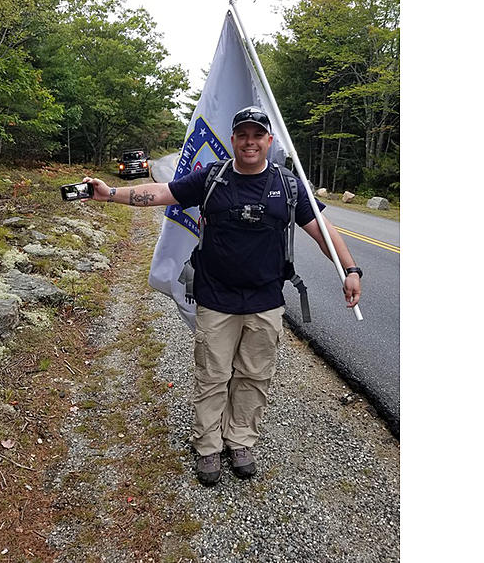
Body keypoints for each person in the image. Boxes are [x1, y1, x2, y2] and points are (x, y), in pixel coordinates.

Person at [81, 106, 362, 486]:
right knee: (212, 377)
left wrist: (349, 270)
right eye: (242, 135)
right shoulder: (211, 178)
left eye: (257, 135)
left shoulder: (289, 186)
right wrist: (110, 193)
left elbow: (324, 233)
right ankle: (208, 446)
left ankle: (241, 440)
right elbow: (161, 191)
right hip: (216, 298)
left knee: (254, 376)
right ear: (232, 140)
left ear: (269, 141)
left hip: (265, 302)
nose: (249, 142)